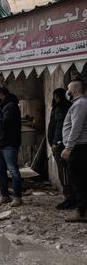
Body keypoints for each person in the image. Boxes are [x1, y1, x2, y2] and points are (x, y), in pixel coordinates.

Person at [0, 87, 23, 207]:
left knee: (13, 170)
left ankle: (17, 197)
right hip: (0, 143)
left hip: (9, 144)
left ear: (1, 94)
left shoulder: (11, 106)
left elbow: (3, 123)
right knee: (0, 171)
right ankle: (4, 196)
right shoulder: (5, 106)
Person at [61, 80, 87, 223]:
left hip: (78, 148)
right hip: (79, 147)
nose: (67, 91)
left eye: (68, 89)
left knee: (78, 181)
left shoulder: (80, 104)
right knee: (80, 180)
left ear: (75, 90)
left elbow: (76, 127)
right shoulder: (78, 104)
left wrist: (68, 148)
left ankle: (81, 212)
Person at [47, 88, 74, 210]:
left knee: (64, 173)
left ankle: (70, 199)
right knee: (66, 172)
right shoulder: (66, 106)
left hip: (61, 145)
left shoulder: (61, 108)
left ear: (57, 96)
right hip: (62, 144)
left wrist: (55, 143)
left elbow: (59, 127)